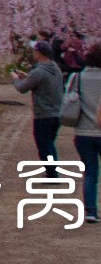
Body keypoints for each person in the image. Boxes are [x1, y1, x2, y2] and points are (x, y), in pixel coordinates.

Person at [11, 39, 66, 171]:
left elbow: (22, 88)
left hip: (43, 114)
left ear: (39, 53)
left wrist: (15, 79)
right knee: (49, 143)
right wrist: (27, 76)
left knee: (43, 144)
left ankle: (52, 173)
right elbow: (40, 82)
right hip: (56, 113)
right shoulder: (55, 68)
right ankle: (52, 170)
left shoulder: (38, 71)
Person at [69, 41, 101, 225]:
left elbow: (70, 100)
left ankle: (90, 211)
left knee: (90, 172)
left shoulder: (77, 78)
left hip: (83, 132)